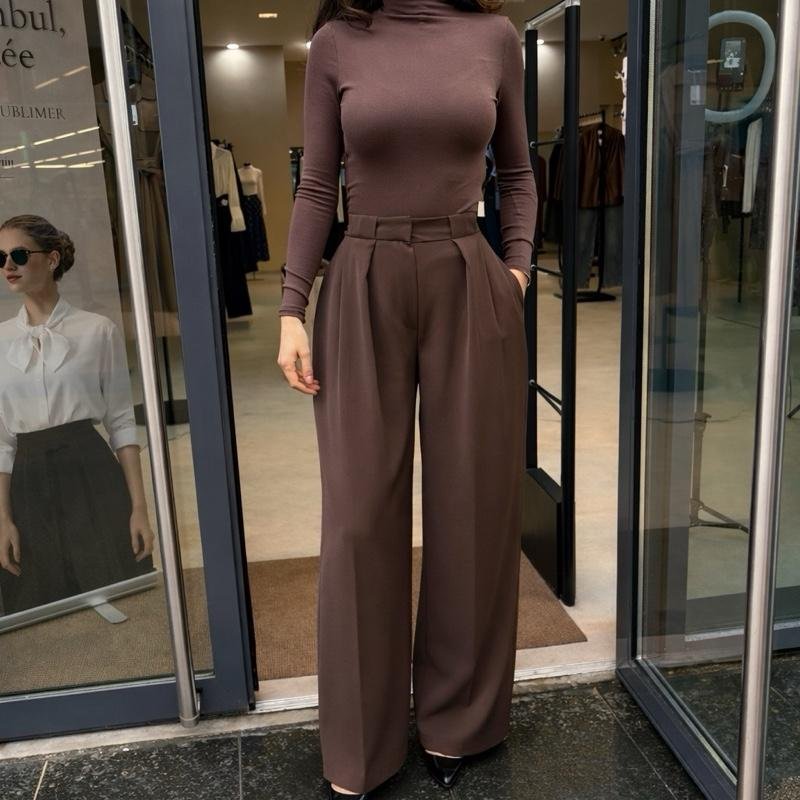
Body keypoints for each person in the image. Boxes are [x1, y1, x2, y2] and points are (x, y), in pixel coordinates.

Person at [275, 1, 536, 796]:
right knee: (358, 517)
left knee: (472, 505)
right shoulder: (336, 42)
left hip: (468, 277)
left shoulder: (494, 38)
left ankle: (459, 721)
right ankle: (362, 743)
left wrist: (516, 271)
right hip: (363, 275)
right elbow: (316, 185)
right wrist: (291, 306)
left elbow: (518, 173)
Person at [0, 214, 155, 616]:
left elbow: (121, 422)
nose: (8, 265)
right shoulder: (0, 341)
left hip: (91, 473)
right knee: (37, 607)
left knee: (120, 596)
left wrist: (139, 508)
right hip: (28, 484)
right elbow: (1, 442)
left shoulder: (98, 330)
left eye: (19, 254)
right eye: (0, 258)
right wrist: (3, 519)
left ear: (52, 259)